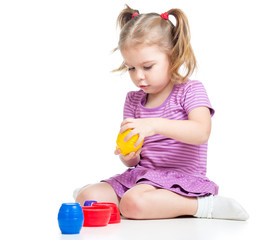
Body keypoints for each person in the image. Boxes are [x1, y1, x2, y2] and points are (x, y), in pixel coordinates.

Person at [74, 5, 249, 221]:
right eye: (131, 68)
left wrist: (154, 125)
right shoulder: (133, 100)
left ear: (172, 57)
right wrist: (129, 156)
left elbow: (201, 132)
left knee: (133, 203)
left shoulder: (190, 91)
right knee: (86, 197)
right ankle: (141, 205)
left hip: (181, 179)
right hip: (143, 178)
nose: (138, 76)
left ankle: (202, 206)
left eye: (147, 67)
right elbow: (133, 161)